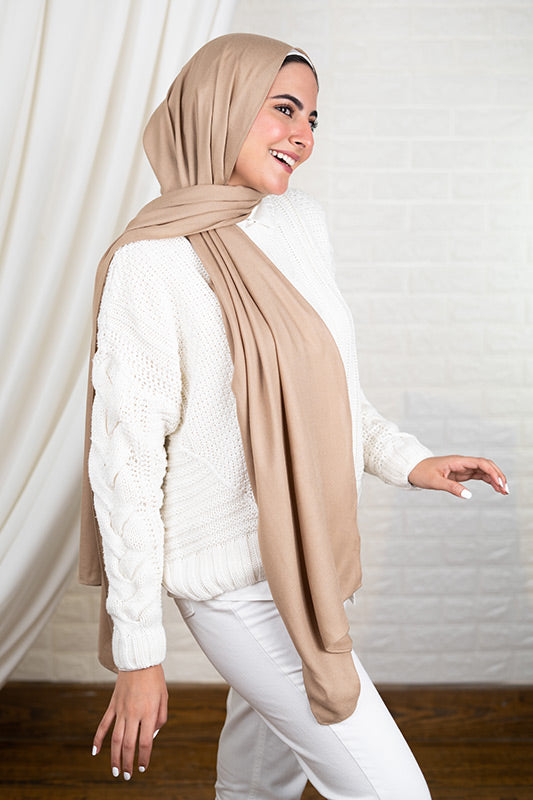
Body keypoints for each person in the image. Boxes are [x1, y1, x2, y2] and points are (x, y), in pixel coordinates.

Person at [79, 33, 508, 799]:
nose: (302, 135)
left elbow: (326, 386)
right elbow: (127, 466)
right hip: (231, 579)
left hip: (305, 557)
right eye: (283, 109)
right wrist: (140, 653)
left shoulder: (297, 222)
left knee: (259, 782)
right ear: (218, 105)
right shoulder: (152, 262)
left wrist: (406, 459)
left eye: (312, 117)